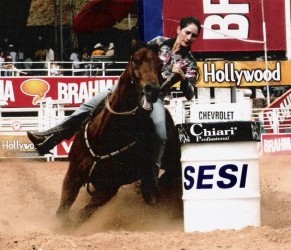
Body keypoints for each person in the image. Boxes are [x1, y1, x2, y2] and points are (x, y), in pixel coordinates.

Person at [27, 16, 201, 172]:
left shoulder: (190, 63)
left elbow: (191, 94)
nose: (189, 38)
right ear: (179, 29)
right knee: (87, 106)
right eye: (187, 32)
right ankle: (50, 138)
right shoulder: (159, 42)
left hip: (155, 97)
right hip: (127, 88)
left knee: (161, 133)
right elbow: (138, 56)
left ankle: (152, 173)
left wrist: (183, 78)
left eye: (194, 35)